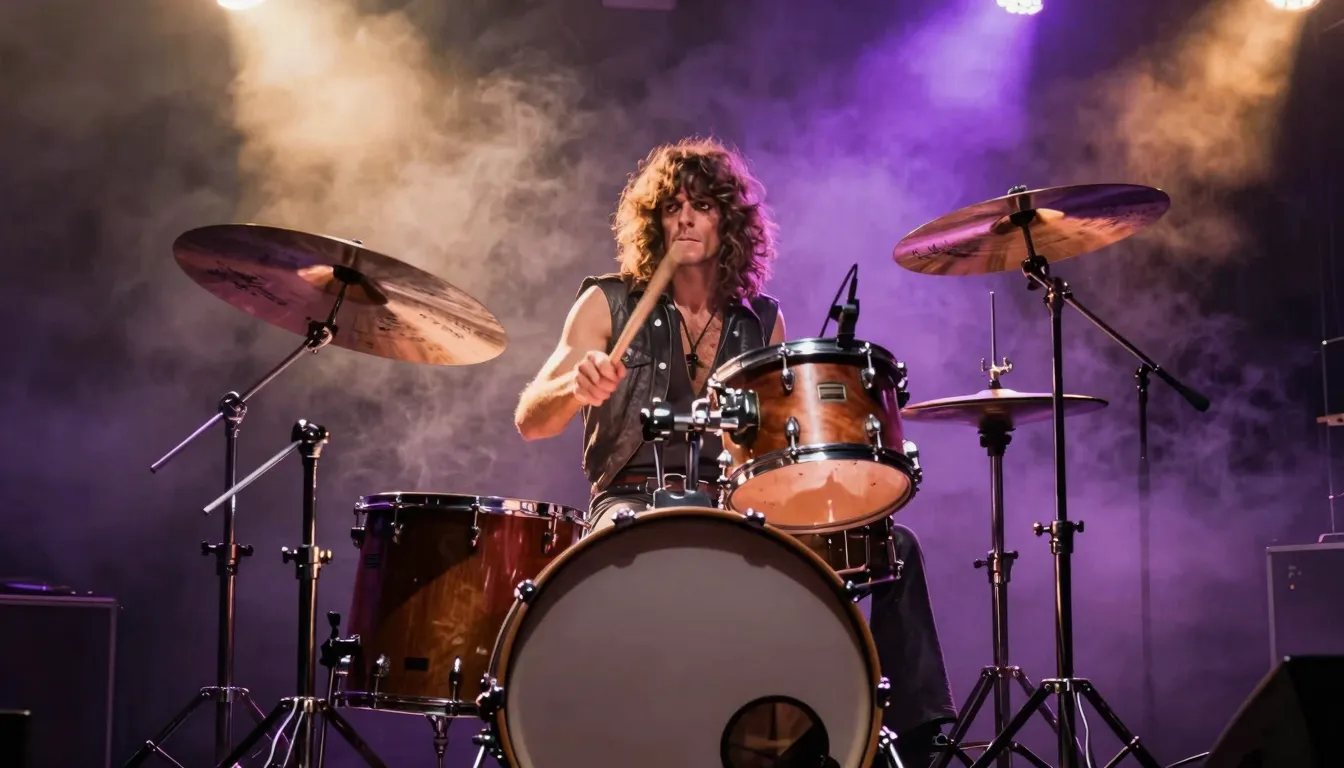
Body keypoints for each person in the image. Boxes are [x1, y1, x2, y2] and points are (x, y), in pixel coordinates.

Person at [513, 136, 957, 765]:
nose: (685, 219)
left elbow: (783, 448)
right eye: (672, 208)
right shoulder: (607, 301)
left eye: (702, 206)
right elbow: (531, 420)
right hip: (630, 503)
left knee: (894, 545)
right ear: (655, 223)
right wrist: (572, 386)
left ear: (729, 221)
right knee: (620, 542)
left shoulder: (761, 322)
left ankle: (918, 743)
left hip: (739, 509)